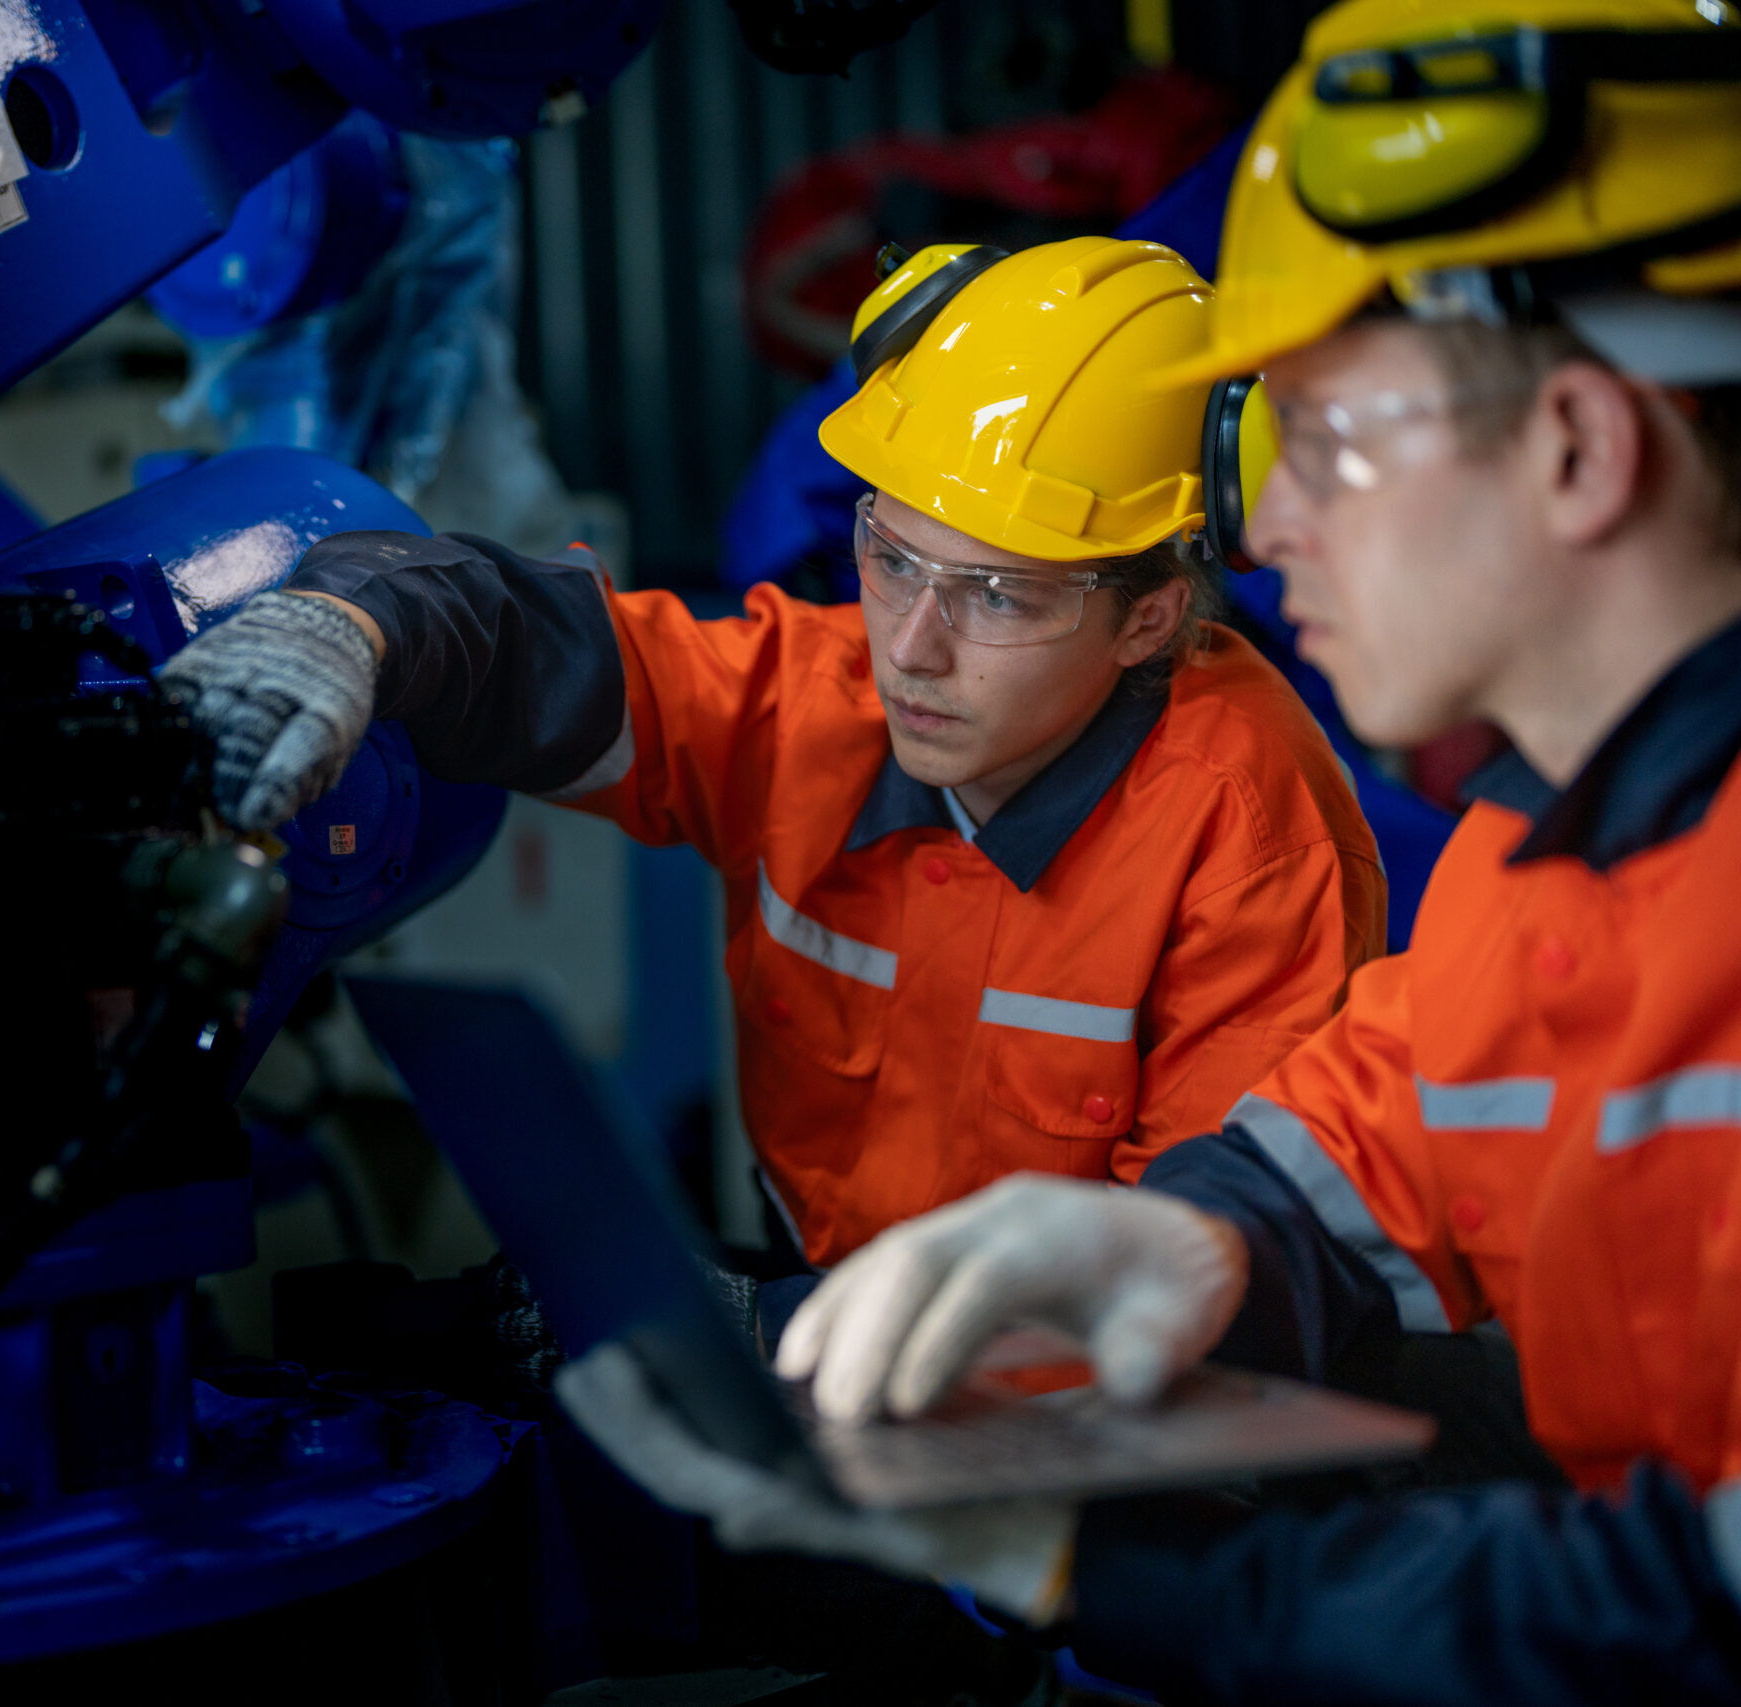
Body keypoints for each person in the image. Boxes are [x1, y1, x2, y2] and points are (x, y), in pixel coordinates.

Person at [556, 1, 1741, 1700]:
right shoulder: (1544, 864)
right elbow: (1378, 1128)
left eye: (1323, 439)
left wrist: (1118, 1579)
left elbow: (1680, 1613)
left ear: (1576, 451)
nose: (1263, 525)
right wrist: (1205, 1231)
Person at [164, 234, 1385, 1270]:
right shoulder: (821, 698)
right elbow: (548, 653)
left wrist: (801, 1350)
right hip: (834, 1358)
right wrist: (348, 620)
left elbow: (1195, 1283)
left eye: (1001, 597)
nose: (911, 646)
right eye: (891, 555)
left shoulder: (1247, 835)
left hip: (1089, 1460)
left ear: (1153, 617)